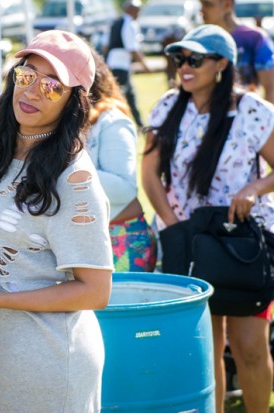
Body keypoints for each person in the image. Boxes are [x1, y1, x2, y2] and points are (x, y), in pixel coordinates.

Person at [0, 30, 114, 413]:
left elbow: (95, 291)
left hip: (47, 363)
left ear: (73, 102)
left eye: (52, 86)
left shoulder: (74, 179)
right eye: (27, 75)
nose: (33, 91)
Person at [141, 24, 274, 413]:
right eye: (179, 58)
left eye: (195, 59)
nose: (184, 66)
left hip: (243, 243)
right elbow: (149, 173)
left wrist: (253, 189)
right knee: (203, 348)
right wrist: (174, 226)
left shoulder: (251, 110)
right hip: (188, 239)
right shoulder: (168, 106)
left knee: (250, 346)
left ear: (221, 64)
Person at [87, 50, 157, 272]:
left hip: (120, 237)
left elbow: (124, 189)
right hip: (81, 239)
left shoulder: (112, 120)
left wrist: (65, 166)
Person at [199, 0, 274, 103]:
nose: (202, 10)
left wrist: (262, 113)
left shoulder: (255, 38)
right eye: (201, 4)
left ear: (227, 4)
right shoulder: (201, 40)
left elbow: (271, 89)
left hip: (245, 109)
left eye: (208, 4)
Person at [104, 0, 151, 128]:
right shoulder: (129, 23)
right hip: (121, 65)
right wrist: (145, 66)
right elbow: (132, 48)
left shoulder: (114, 23)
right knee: (119, 95)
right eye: (137, 10)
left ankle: (140, 124)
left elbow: (105, 46)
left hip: (112, 63)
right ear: (129, 9)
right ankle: (116, 123)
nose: (139, 13)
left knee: (129, 94)